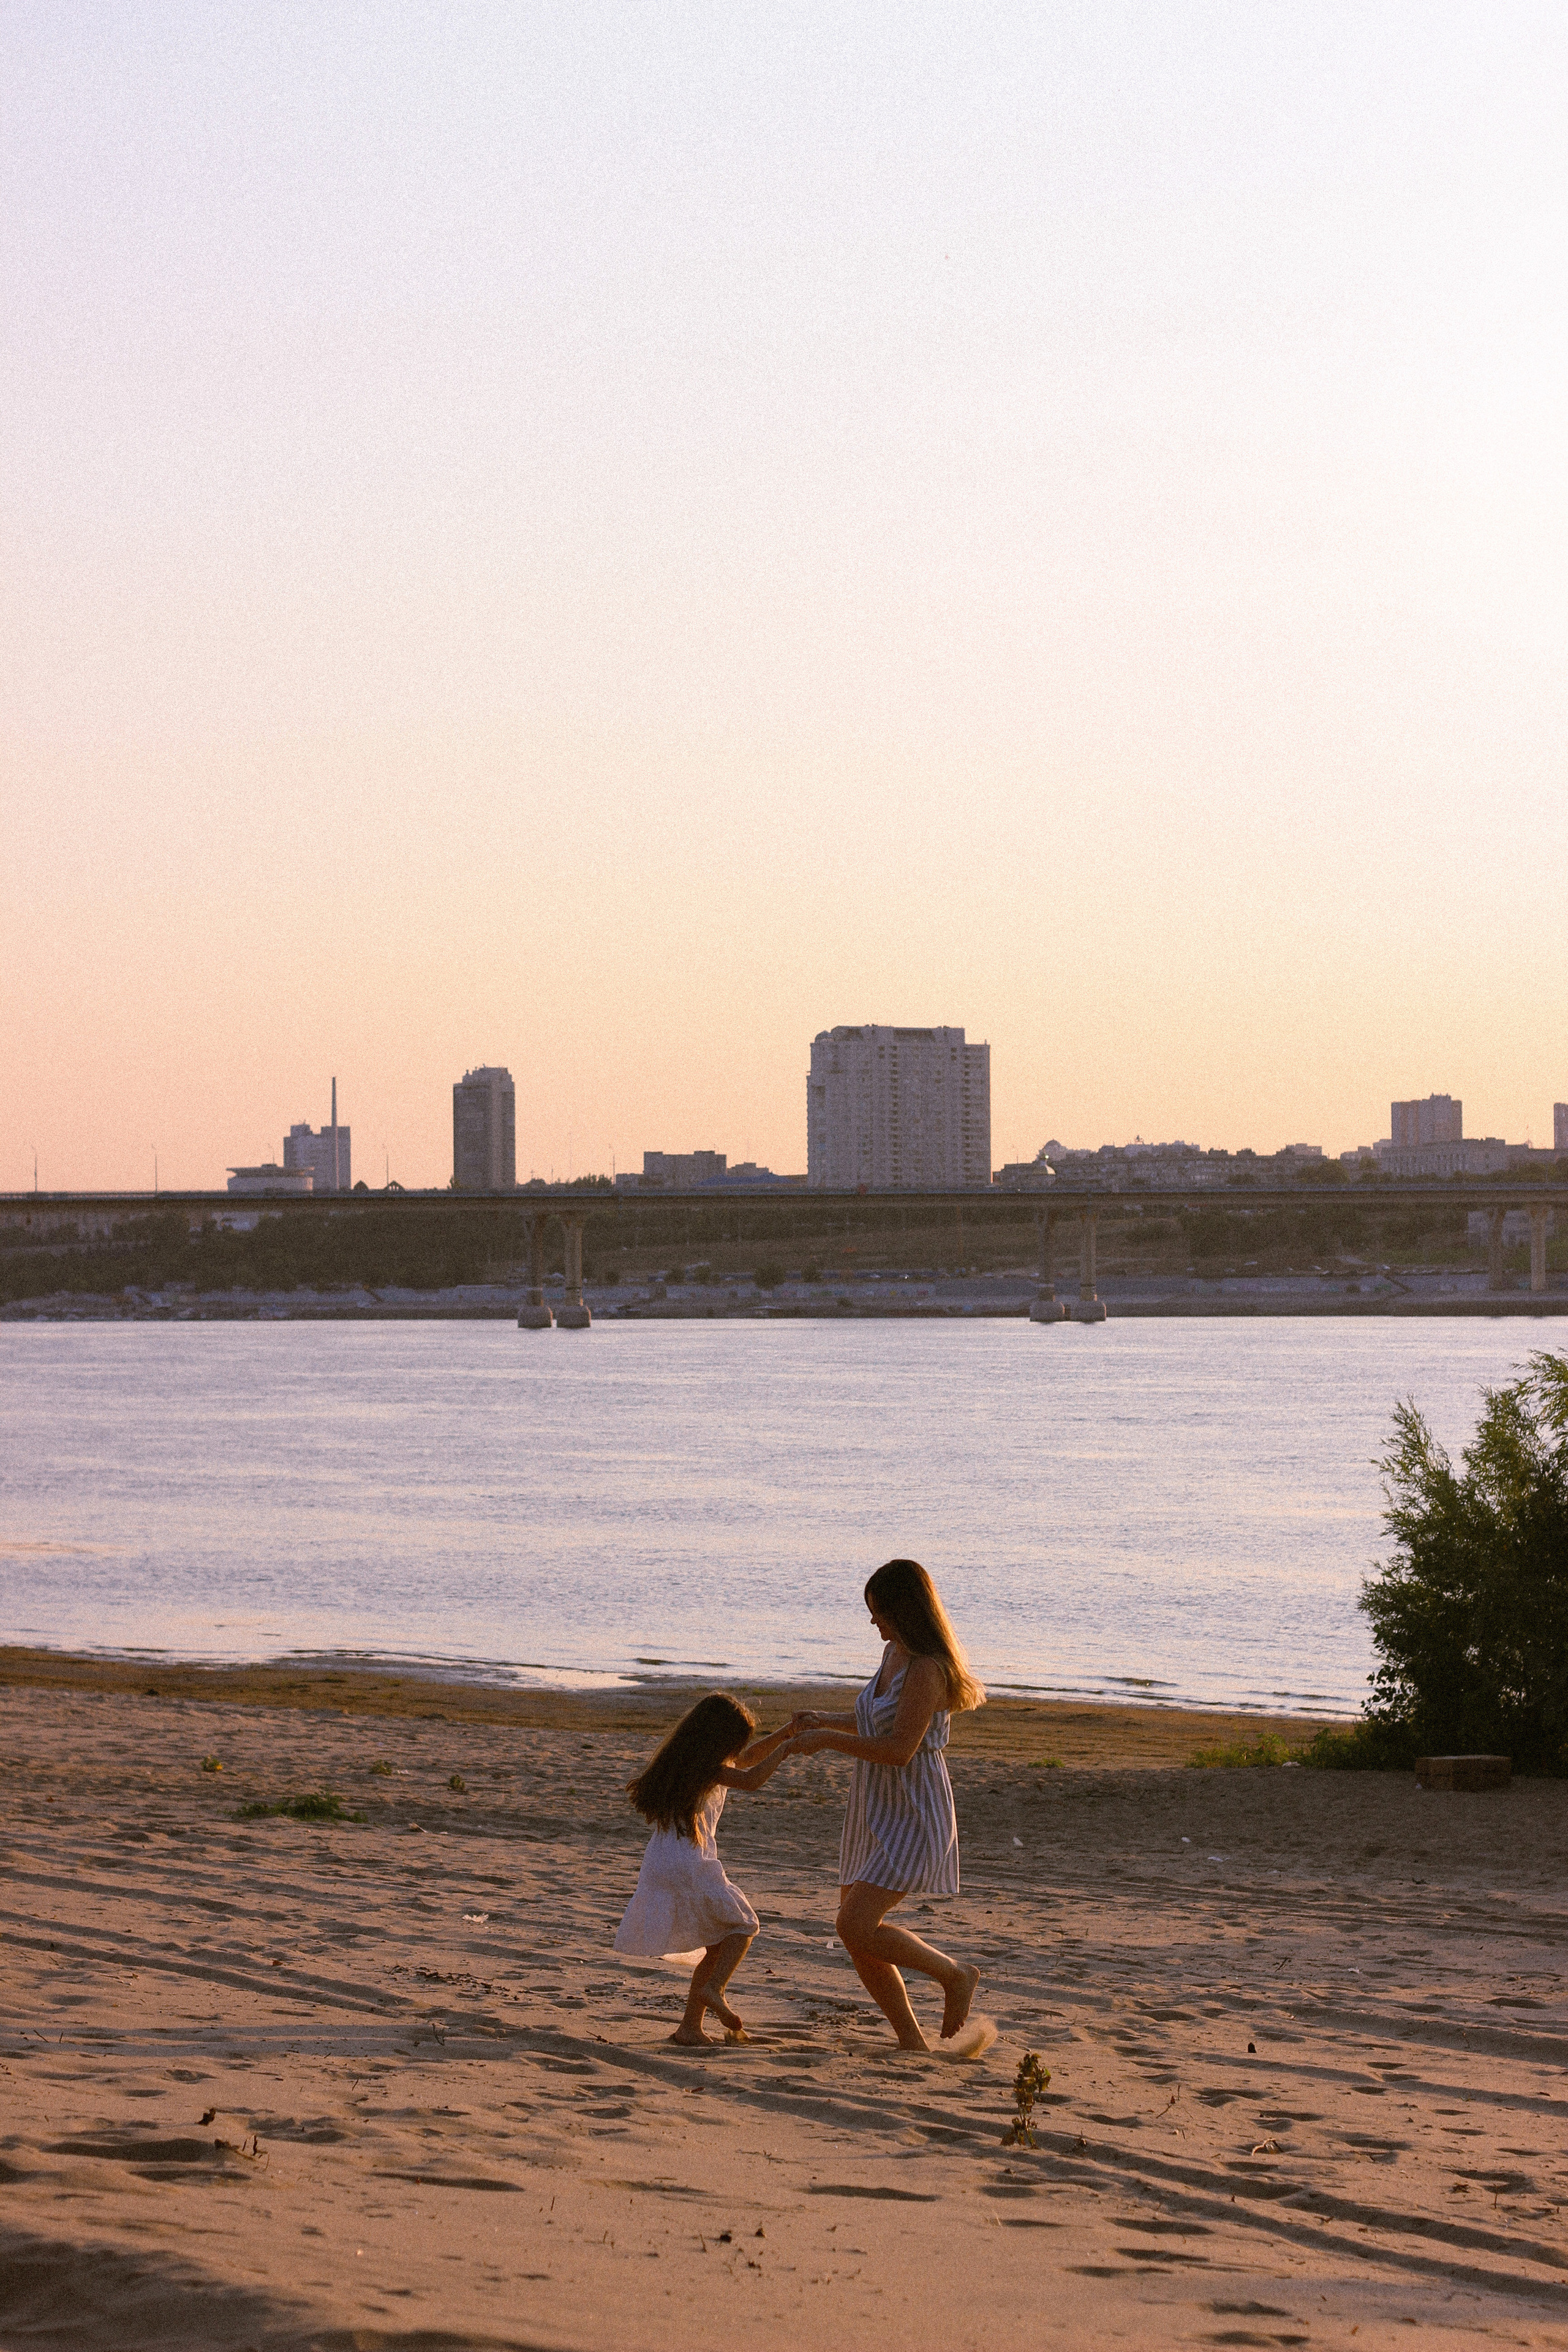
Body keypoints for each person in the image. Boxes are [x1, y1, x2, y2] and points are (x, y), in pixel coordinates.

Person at [786, 1558, 986, 2052]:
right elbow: (876, 1721)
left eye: (878, 1611)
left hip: (915, 1810)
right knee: (857, 1930)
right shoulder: (895, 1652)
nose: (873, 1622)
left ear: (904, 1611)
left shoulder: (926, 1669)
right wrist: (823, 1720)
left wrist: (827, 1740)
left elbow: (899, 1750)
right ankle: (911, 2041)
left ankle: (956, 1975)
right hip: (877, 1808)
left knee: (854, 1925)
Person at [614, 1692, 795, 2046]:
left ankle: (690, 2028)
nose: (738, 1751)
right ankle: (715, 1989)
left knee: (716, 1944)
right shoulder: (708, 1769)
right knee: (744, 1925)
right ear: (719, 1740)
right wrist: (786, 1751)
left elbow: (746, 1760)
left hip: (661, 1861)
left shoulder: (685, 1762)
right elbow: (752, 1777)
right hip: (689, 1862)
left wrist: (785, 1733)